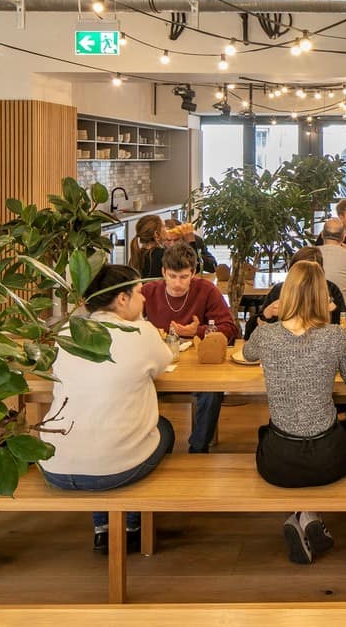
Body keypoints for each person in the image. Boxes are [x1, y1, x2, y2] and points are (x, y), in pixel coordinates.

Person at [39, 264, 175, 554]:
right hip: (113, 471)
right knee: (165, 429)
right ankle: (133, 524)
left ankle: (102, 526)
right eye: (139, 293)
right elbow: (164, 363)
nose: (144, 299)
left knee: (97, 427)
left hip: (53, 464)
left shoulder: (66, 332)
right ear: (122, 299)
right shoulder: (142, 332)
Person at [242, 261, 346, 565]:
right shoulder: (334, 336)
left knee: (267, 435)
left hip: (278, 461)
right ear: (322, 296)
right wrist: (345, 349)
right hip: (327, 458)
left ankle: (304, 514)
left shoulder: (267, 336)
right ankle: (309, 515)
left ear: (287, 294)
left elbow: (246, 353)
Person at [142, 242, 239, 453]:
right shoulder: (149, 291)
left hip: (197, 362)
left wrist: (197, 330)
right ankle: (147, 443)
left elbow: (230, 329)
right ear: (163, 272)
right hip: (159, 363)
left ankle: (198, 447)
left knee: (212, 391)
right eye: (172, 276)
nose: (177, 283)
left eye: (184, 277)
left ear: (193, 273)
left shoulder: (206, 290)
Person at [244, 246, 346, 340]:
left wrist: (335, 310)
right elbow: (249, 336)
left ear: (320, 274)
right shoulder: (280, 291)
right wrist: (266, 315)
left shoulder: (330, 289)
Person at [129, 214, 166, 279]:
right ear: (156, 234)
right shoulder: (164, 255)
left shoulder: (135, 257)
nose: (166, 230)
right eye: (164, 227)